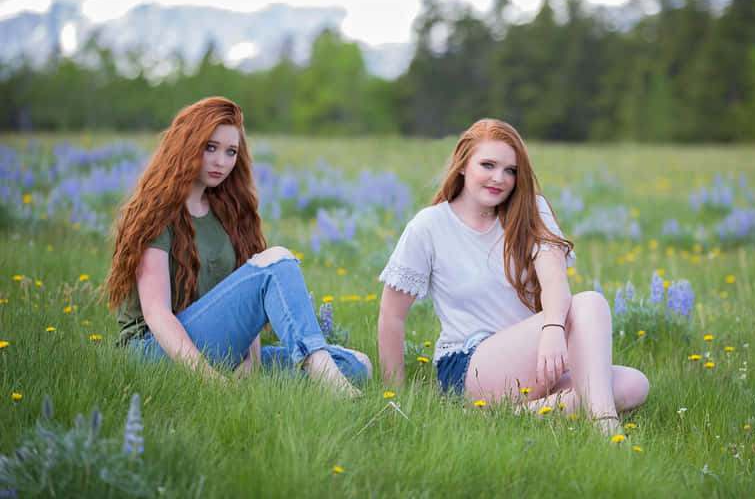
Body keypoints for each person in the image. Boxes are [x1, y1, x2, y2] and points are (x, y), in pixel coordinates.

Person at [377, 119, 648, 430]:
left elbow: (555, 279)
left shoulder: (530, 210)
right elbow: (391, 315)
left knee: (633, 386)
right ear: (462, 164)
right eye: (488, 165)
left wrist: (553, 329)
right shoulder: (429, 226)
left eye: (510, 170)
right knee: (589, 303)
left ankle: (503, 417)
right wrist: (395, 397)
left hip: (537, 355)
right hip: (470, 366)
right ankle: (606, 426)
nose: (499, 178)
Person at [105, 97, 370, 395]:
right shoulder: (154, 213)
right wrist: (211, 381)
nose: (221, 162)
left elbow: (245, 303)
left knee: (356, 364)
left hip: (215, 347)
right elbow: (157, 314)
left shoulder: (227, 211)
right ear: (186, 145)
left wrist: (251, 362)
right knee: (277, 261)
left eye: (231, 151)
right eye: (210, 147)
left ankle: (303, 378)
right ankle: (332, 385)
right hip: (154, 352)